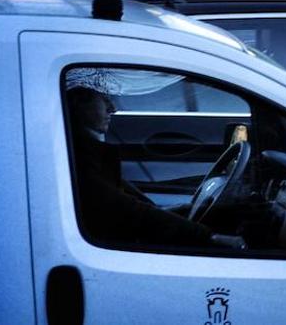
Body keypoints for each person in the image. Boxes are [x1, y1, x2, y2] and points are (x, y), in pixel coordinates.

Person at [65, 85, 227, 250]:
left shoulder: (85, 154)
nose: (112, 109)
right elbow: (125, 209)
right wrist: (208, 236)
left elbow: (129, 206)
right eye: (103, 101)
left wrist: (173, 211)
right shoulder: (80, 159)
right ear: (79, 106)